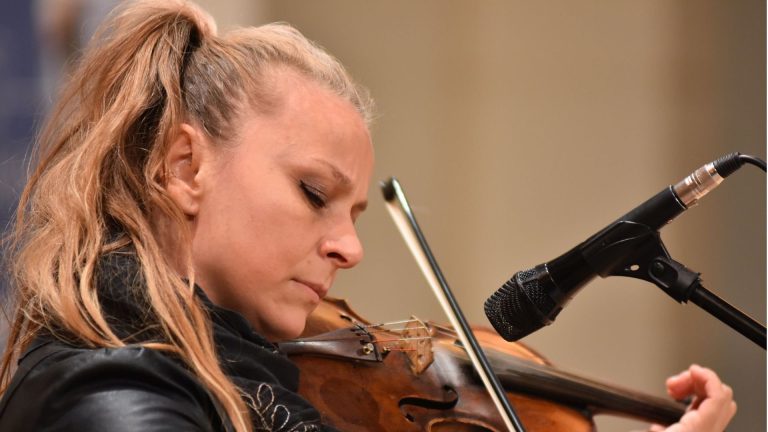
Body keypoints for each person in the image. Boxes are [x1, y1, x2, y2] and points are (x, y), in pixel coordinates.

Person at [0, 1, 737, 431]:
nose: (350, 248)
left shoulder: (236, 370)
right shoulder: (112, 394)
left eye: (354, 211)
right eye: (314, 195)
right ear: (185, 167)